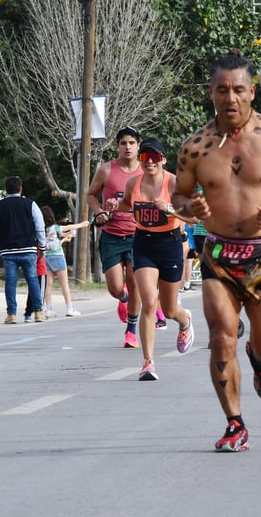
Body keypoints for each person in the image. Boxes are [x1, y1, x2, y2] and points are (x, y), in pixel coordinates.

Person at [171, 50, 261, 452]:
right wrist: (189, 209)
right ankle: (235, 423)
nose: (230, 98)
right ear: (211, 94)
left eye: (238, 90)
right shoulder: (195, 147)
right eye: (221, 90)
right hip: (218, 254)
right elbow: (178, 197)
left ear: (252, 93)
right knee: (221, 337)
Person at [105, 137, 195, 381]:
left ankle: (184, 320)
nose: (150, 162)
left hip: (170, 244)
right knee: (148, 300)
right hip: (144, 243)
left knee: (169, 308)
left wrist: (169, 210)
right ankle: (148, 363)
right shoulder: (134, 182)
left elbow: (194, 218)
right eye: (145, 157)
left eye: (155, 157)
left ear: (163, 160)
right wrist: (114, 205)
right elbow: (126, 205)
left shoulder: (175, 183)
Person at [86, 125, 144, 348]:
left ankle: (131, 331)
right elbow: (91, 195)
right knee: (115, 287)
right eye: (123, 143)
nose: (127, 147)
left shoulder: (144, 172)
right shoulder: (106, 170)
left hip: (138, 235)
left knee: (135, 281)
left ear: (138, 146)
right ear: (117, 146)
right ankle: (123, 299)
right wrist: (99, 211)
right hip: (111, 233)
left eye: (131, 143)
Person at [0, 176, 46, 324]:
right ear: (20, 189)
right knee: (32, 280)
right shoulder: (31, 204)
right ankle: (38, 312)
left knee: (11, 282)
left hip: (7, 251)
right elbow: (40, 226)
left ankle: (11, 314)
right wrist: (42, 247)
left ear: (6, 190)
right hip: (28, 249)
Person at [40, 206, 89, 317]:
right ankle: (69, 309)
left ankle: (48, 310)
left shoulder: (41, 229)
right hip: (57, 256)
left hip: (46, 257)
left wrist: (65, 237)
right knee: (64, 284)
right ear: (50, 216)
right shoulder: (55, 227)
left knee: (48, 285)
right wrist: (82, 224)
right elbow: (69, 227)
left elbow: (55, 237)